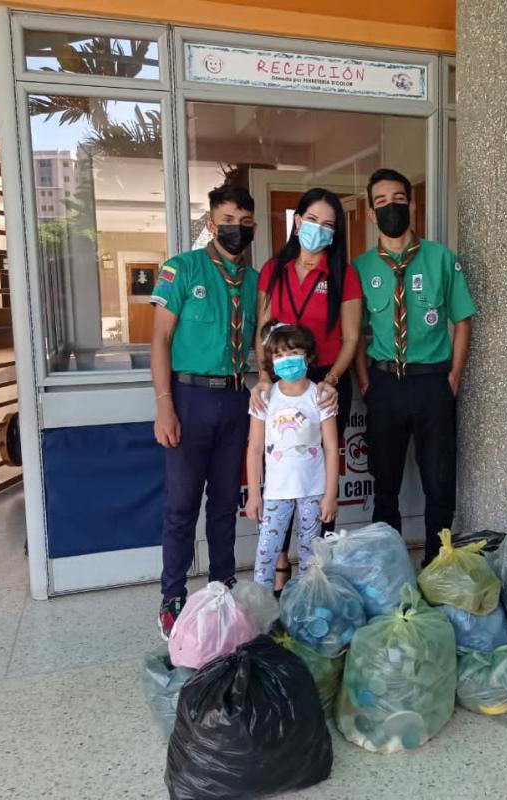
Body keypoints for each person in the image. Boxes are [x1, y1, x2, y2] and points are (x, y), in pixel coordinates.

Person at [150, 184, 258, 639]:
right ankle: (172, 596)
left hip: (234, 399)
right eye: (228, 220)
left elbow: (259, 343)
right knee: (181, 505)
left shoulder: (255, 283)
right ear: (211, 223)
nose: (236, 229)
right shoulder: (182, 268)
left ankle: (221, 586)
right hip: (189, 399)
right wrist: (164, 406)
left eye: (245, 222)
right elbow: (160, 340)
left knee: (224, 504)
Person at [354, 168, 476, 566]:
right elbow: (354, 332)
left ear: (412, 204)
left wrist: (453, 377)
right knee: (384, 483)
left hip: (432, 383)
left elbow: (463, 320)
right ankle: (389, 566)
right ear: (370, 213)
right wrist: (365, 379)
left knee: (439, 483)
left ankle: (437, 565)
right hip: (385, 384)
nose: (390, 207)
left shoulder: (441, 259)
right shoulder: (361, 268)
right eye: (381, 202)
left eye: (398, 199)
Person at [252, 188, 361, 588]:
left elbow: (351, 338)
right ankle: (280, 565)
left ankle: (316, 576)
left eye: (328, 225)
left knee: (318, 472)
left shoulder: (344, 275)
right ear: (297, 222)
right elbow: (262, 330)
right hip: (281, 380)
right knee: (282, 469)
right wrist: (265, 376)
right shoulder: (273, 270)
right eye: (312, 220)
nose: (319, 229)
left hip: (325, 382)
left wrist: (330, 382)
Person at [245, 322, 339, 594]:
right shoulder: (265, 397)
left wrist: (330, 495)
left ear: (308, 356)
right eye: (279, 355)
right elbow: (254, 448)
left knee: (311, 559)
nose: (286, 360)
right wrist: (254, 495)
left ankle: (305, 606)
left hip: (313, 492)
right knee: (266, 557)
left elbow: (332, 447)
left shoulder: (320, 396)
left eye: (294, 353)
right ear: (271, 360)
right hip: (275, 493)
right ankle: (262, 609)